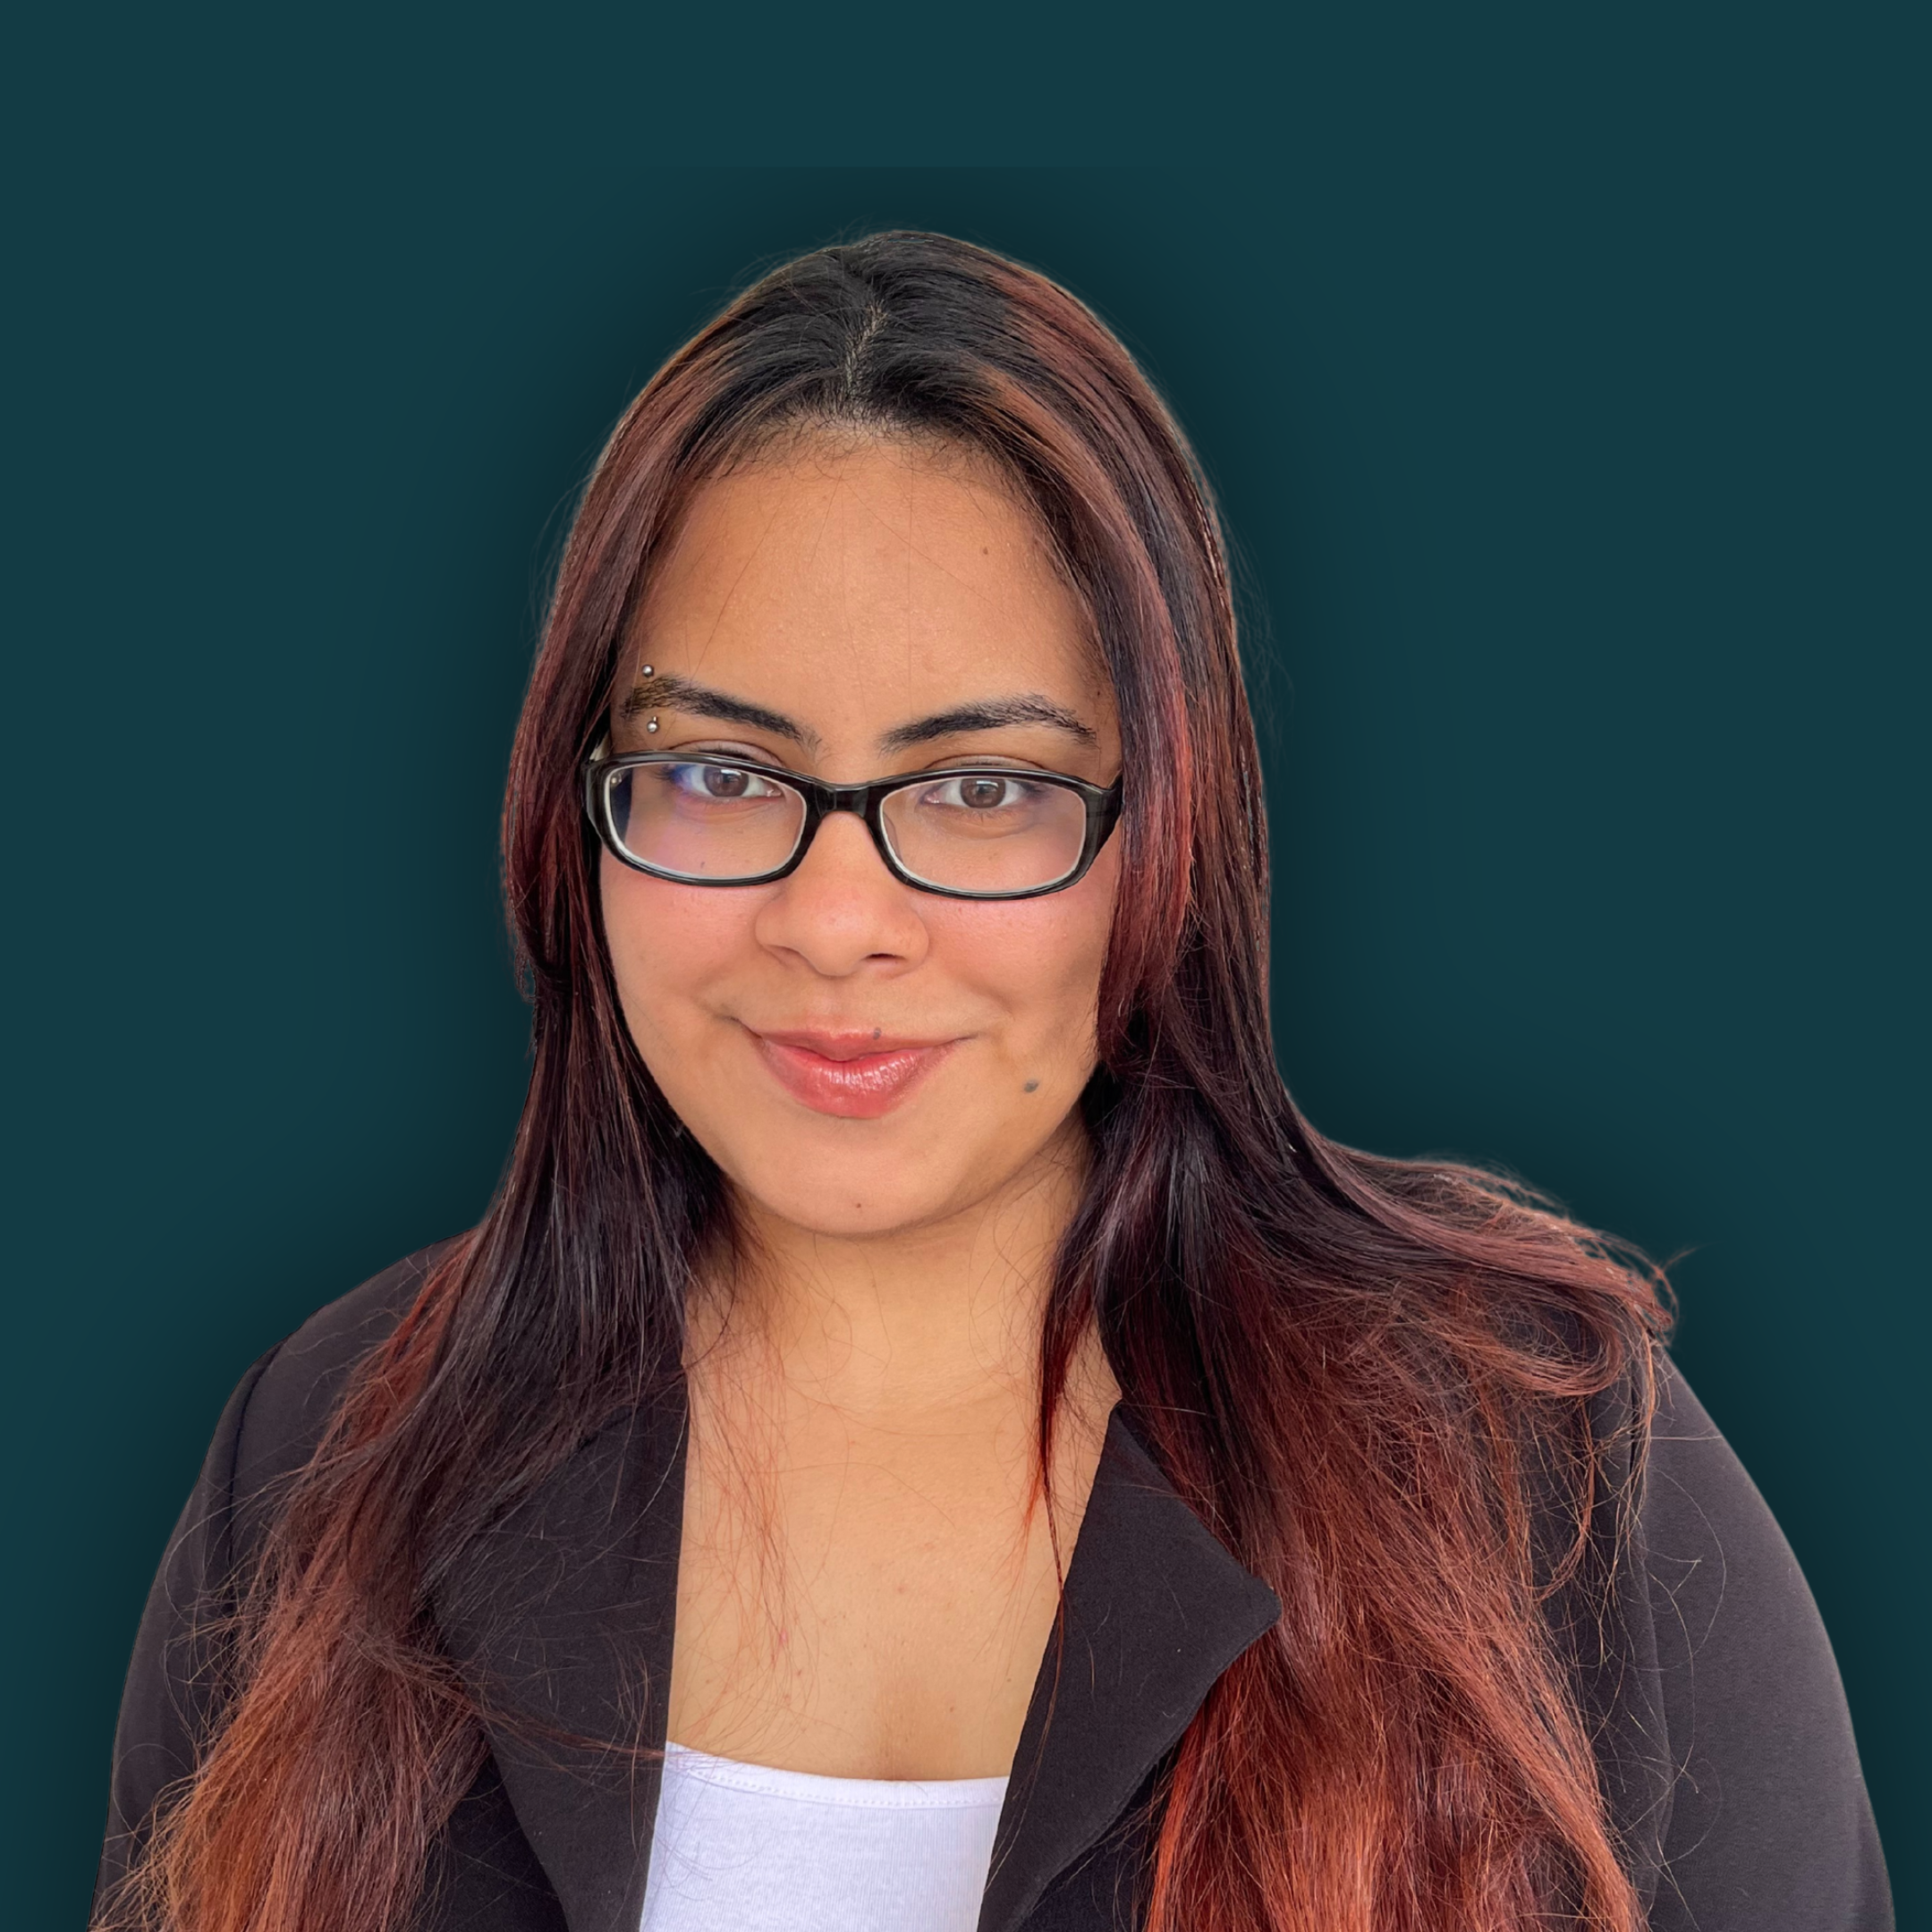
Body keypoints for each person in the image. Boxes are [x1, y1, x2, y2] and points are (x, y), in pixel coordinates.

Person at [93, 232, 1890, 1932]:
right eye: (718, 772)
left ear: (1166, 831)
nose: (836, 921)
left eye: (981, 790)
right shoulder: (321, 1463)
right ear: (581, 813)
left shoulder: (1547, 1472)